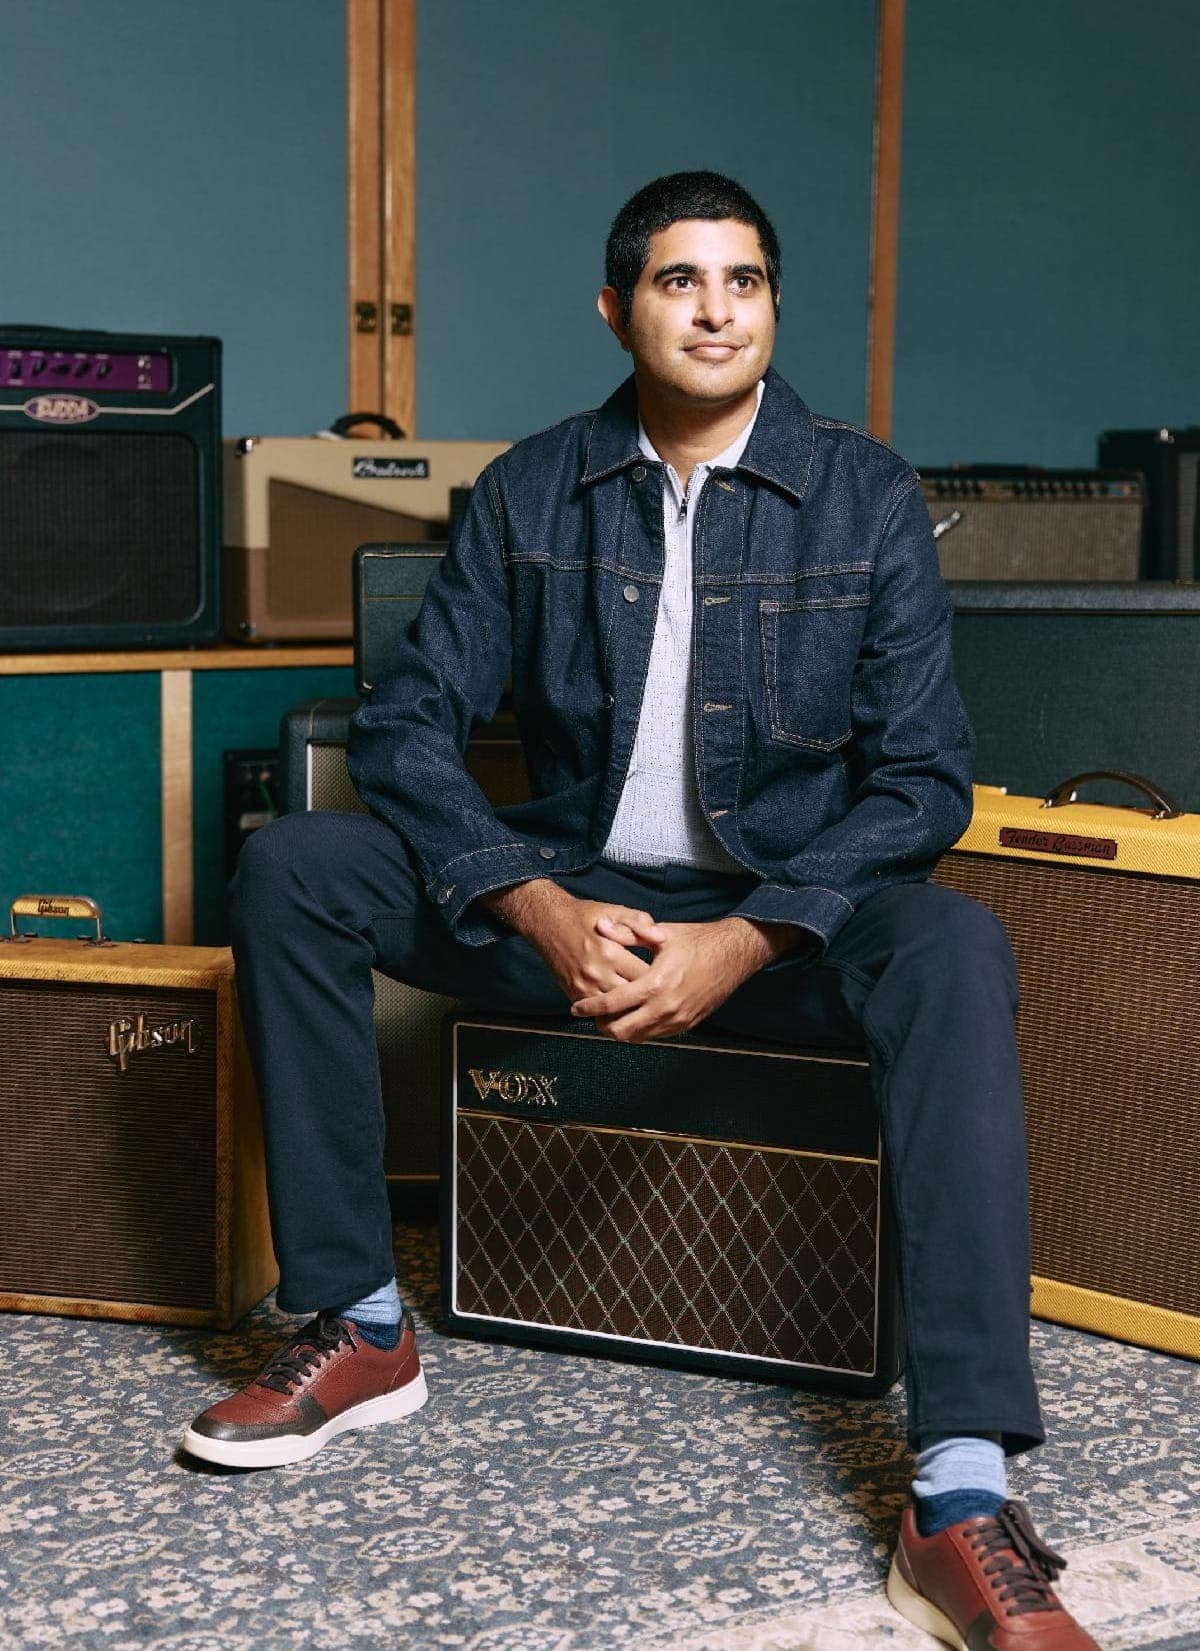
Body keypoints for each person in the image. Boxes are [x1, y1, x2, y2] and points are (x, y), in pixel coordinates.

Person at [184, 172, 1099, 1650]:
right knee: (296, 866)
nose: (717, 308)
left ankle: (959, 1491)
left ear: (772, 304)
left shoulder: (865, 494)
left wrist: (756, 932)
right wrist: (532, 901)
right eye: (682, 281)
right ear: (620, 309)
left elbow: (922, 781)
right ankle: (359, 1324)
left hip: (775, 924)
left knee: (951, 942)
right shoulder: (533, 487)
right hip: (571, 910)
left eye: (744, 280)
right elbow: (408, 730)